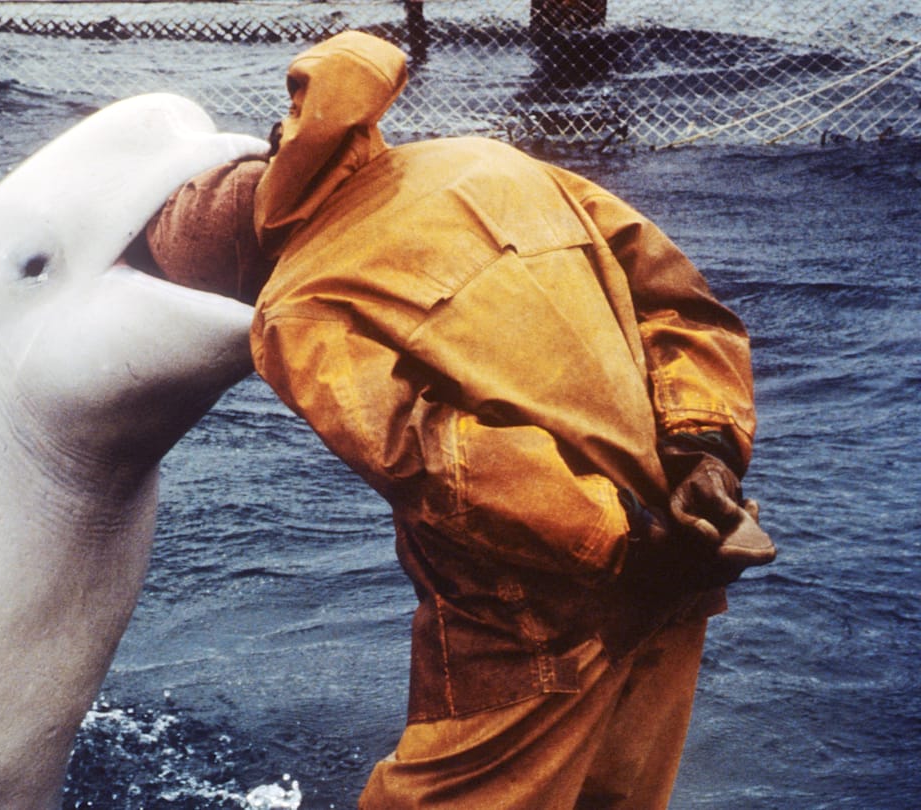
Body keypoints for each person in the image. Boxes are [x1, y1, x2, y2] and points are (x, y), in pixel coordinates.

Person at [143, 31, 776, 809]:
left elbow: (438, 461)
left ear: (247, 270)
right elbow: (679, 301)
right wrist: (705, 451)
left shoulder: (296, 305)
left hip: (546, 605)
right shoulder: (481, 159)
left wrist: (624, 544)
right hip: (688, 540)